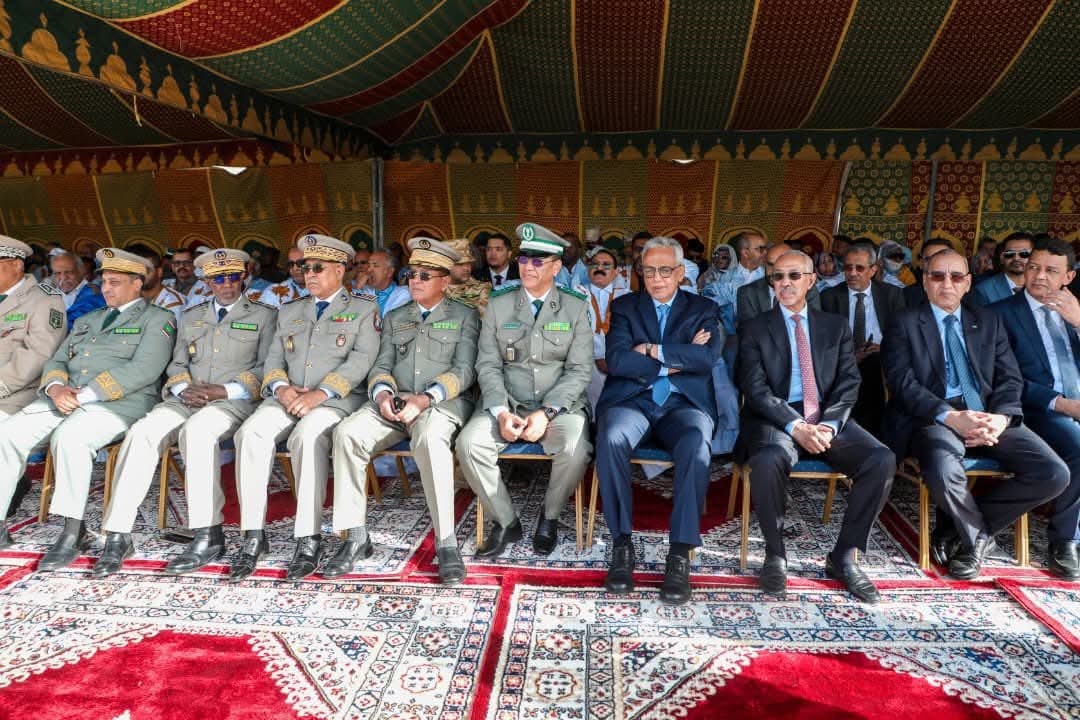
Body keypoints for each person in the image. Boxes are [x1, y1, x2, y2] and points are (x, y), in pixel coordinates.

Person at [882, 249, 1068, 580]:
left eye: (956, 277)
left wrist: (1001, 418)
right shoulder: (903, 321)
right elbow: (903, 384)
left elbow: (1010, 378)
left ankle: (963, 529)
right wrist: (950, 417)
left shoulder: (988, 320)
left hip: (987, 415)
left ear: (968, 283)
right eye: (937, 276)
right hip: (934, 417)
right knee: (943, 470)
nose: (947, 284)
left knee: (1054, 473)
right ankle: (977, 539)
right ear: (925, 281)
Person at [94, 249, 276, 577]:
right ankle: (118, 534)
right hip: (186, 398)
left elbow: (268, 366)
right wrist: (183, 389)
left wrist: (225, 390)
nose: (226, 285)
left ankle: (208, 533)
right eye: (218, 279)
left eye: (233, 277)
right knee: (142, 433)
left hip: (232, 400)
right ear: (207, 282)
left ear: (244, 277)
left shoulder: (264, 315)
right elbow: (177, 364)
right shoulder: (192, 316)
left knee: (198, 432)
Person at [0, 248, 175, 569]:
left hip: (120, 402)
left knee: (71, 438)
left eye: (115, 282)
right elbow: (57, 360)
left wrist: (86, 395)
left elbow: (145, 369)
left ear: (138, 283)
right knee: (8, 433)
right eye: (104, 281)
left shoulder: (159, 319)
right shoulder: (87, 319)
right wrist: (55, 387)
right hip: (65, 397)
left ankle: (72, 530)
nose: (106, 289)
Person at [739, 250, 895, 603]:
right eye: (778, 277)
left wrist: (829, 425)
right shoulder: (754, 327)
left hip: (825, 415)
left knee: (881, 459)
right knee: (768, 459)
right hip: (777, 416)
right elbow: (755, 389)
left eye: (794, 276)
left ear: (811, 280)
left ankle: (844, 556)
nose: (785, 283)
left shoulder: (834, 326)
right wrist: (795, 426)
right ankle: (775, 555)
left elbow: (849, 383)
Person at [229, 234, 379, 582]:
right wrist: (280, 388)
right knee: (249, 434)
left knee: (306, 437)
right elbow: (273, 359)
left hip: (337, 398)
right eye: (303, 267)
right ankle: (253, 536)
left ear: (339, 270)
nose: (308, 274)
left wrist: (321, 393)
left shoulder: (363, 308)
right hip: (288, 395)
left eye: (317, 268)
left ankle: (308, 537)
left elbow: (362, 361)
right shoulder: (291, 309)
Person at [328, 238, 479, 584]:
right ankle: (355, 536)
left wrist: (424, 399)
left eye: (426, 275)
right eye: (412, 274)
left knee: (429, 439)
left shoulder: (464, 316)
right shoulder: (396, 317)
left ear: (445, 281)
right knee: (347, 434)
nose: (415, 281)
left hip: (440, 403)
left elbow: (465, 370)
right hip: (394, 402)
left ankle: (446, 542)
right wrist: (383, 395)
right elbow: (381, 365)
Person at [594, 236, 724, 605]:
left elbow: (706, 359)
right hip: (632, 400)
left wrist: (651, 350)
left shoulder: (703, 307)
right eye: (649, 270)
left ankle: (680, 552)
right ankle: (622, 545)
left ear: (680, 273)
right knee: (611, 437)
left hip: (683, 404)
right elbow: (618, 361)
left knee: (696, 444)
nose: (656, 278)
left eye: (665, 270)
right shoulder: (626, 307)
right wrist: (679, 357)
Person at [456, 222, 592, 557]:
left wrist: (546, 413)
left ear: (556, 267)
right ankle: (506, 521)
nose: (528, 266)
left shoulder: (575, 306)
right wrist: (501, 411)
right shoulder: (499, 303)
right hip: (509, 401)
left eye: (538, 260)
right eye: (524, 259)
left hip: (558, 405)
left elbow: (579, 370)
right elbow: (488, 364)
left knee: (575, 449)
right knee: (468, 444)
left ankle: (550, 516)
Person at [988, 237, 1080, 578]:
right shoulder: (1000, 314)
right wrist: (1063, 404)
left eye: (1051, 271)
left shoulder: (1075, 310)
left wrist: (1079, 323)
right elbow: (1003, 379)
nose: (1040, 276)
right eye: (1034, 267)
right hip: (1037, 410)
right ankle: (1065, 540)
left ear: (1068, 277)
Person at [0, 236, 67, 529]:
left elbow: (39, 354)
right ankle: (16, 479)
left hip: (19, 392)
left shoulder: (44, 299)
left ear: (15, 265)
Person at [821, 244, 906, 436]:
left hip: (881, 358)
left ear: (873, 270)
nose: (852, 273)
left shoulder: (892, 294)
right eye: (848, 267)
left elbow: (902, 336)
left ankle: (868, 433)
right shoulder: (829, 297)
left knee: (872, 365)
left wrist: (883, 348)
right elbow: (824, 342)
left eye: (859, 268)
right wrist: (851, 356)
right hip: (843, 359)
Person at [581, 246, 630, 411]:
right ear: (588, 270)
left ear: (616, 272)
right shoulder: (576, 294)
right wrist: (598, 355)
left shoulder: (628, 296)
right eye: (594, 264)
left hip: (619, 359)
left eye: (606, 265)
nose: (599, 268)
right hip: (586, 360)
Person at [737, 243, 821, 330]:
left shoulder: (807, 289)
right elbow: (749, 331)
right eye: (770, 264)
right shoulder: (747, 292)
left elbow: (814, 326)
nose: (775, 272)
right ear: (764, 264)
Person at [130, 245, 186, 324]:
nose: (139, 275)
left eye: (146, 270)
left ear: (159, 272)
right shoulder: (132, 297)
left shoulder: (172, 304)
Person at [975, 232, 1033, 305]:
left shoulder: (1042, 287)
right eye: (1010, 253)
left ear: (1034, 258)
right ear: (1002, 258)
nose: (1016, 258)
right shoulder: (983, 290)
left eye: (1024, 254)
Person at [50, 251, 105, 329]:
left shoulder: (95, 294)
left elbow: (71, 326)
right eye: (58, 273)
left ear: (81, 271)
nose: (63, 278)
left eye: (68, 272)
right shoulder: (50, 294)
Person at [444, 238, 492, 313]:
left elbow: (484, 315)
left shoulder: (482, 288)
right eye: (460, 264)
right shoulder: (432, 288)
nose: (467, 268)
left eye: (469, 263)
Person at [903, 237, 954, 307]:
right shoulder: (905, 296)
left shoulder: (963, 294)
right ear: (920, 263)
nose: (936, 263)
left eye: (942, 259)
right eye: (929, 259)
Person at [362, 249, 411, 317]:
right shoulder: (363, 291)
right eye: (369, 266)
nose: (369, 270)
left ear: (389, 272)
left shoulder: (405, 294)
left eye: (375, 265)